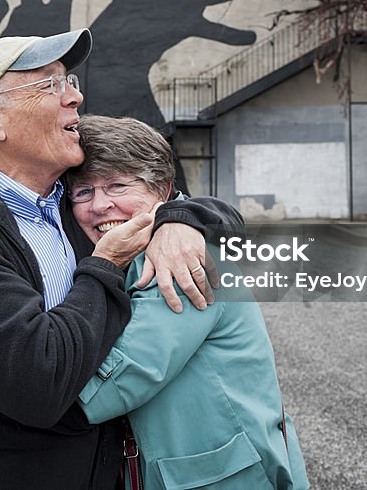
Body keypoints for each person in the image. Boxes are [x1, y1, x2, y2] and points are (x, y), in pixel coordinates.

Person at [0, 28, 243, 490]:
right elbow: (38, 387)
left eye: (71, 82)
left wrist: (179, 219)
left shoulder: (76, 206)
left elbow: (211, 211)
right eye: (49, 85)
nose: (74, 99)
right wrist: (104, 267)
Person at [69, 115, 309, 490]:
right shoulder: (129, 250)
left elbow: (118, 382)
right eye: (83, 192)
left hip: (223, 477)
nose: (100, 205)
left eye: (117, 185)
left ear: (162, 190)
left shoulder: (184, 258)